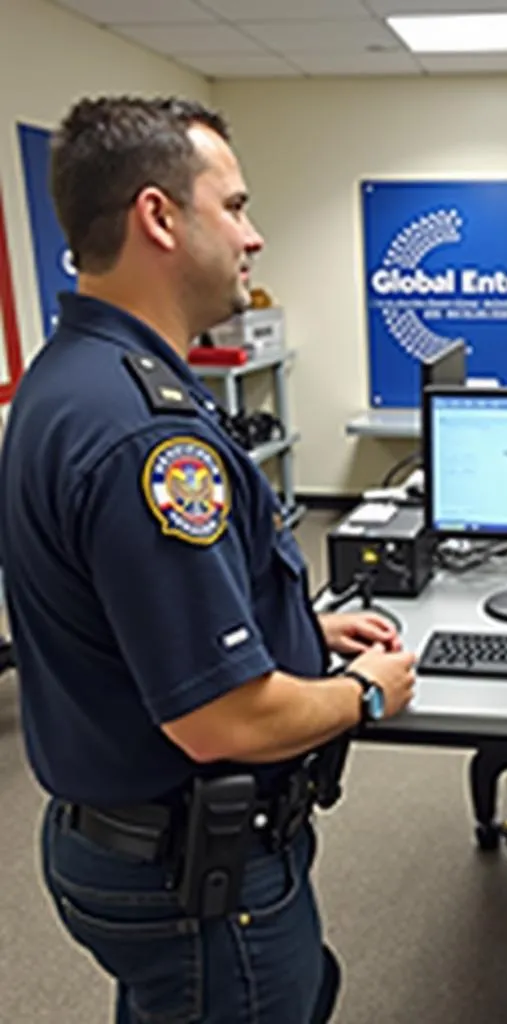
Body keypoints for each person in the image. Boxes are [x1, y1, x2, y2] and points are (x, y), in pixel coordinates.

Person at [0, 96, 416, 1023]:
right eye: (233, 206)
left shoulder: (68, 379)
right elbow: (221, 720)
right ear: (158, 216)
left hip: (117, 844)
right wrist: (370, 689)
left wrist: (296, 629)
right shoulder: (148, 439)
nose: (254, 236)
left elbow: (126, 616)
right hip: (193, 876)